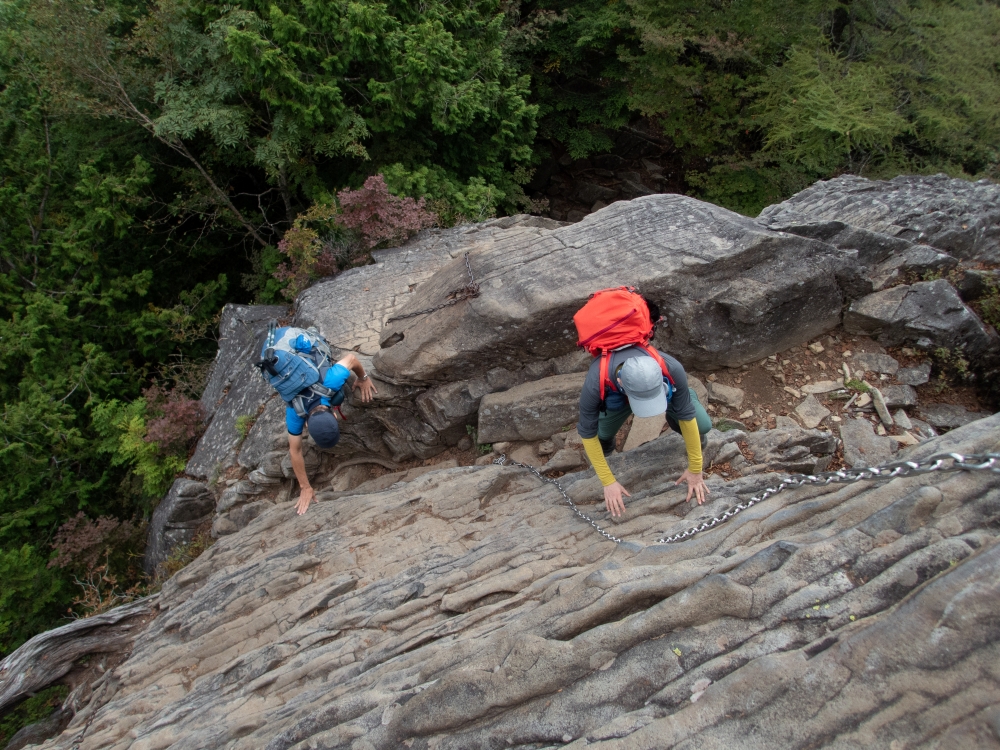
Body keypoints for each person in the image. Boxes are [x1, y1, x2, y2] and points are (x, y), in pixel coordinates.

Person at [577, 346, 712, 517]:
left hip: (660, 392)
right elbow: (587, 434)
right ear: (621, 383)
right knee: (601, 435)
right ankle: (607, 445)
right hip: (616, 398)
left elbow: (687, 415)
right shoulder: (596, 382)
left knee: (701, 424)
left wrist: (695, 468)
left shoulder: (671, 367)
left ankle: (678, 409)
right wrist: (608, 481)